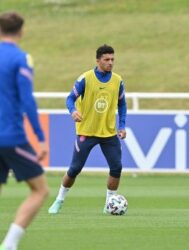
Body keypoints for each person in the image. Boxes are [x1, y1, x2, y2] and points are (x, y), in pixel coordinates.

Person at [0, 11, 49, 250]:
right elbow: (27, 100)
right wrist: (41, 138)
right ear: (21, 32)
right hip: (11, 137)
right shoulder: (21, 58)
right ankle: (9, 245)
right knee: (40, 190)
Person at [48, 44, 127, 214]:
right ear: (98, 60)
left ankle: (109, 204)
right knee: (75, 169)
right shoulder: (86, 78)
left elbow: (122, 104)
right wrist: (73, 111)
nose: (110, 63)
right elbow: (70, 99)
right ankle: (59, 200)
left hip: (108, 133)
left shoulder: (118, 81)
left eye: (113, 59)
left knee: (116, 167)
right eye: (106, 60)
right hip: (86, 132)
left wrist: (122, 125)